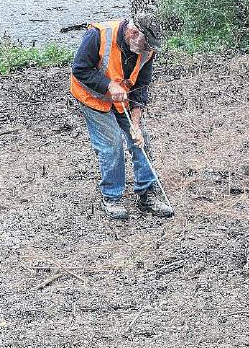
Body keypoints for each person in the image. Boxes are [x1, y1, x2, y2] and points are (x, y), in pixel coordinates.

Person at [70, 13, 173, 220]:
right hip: (92, 97)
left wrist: (135, 124)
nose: (148, 50)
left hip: (122, 100)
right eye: (146, 44)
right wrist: (108, 85)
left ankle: (146, 194)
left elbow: (141, 88)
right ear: (134, 33)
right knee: (112, 144)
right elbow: (80, 69)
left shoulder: (146, 50)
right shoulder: (98, 35)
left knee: (141, 139)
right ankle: (112, 197)